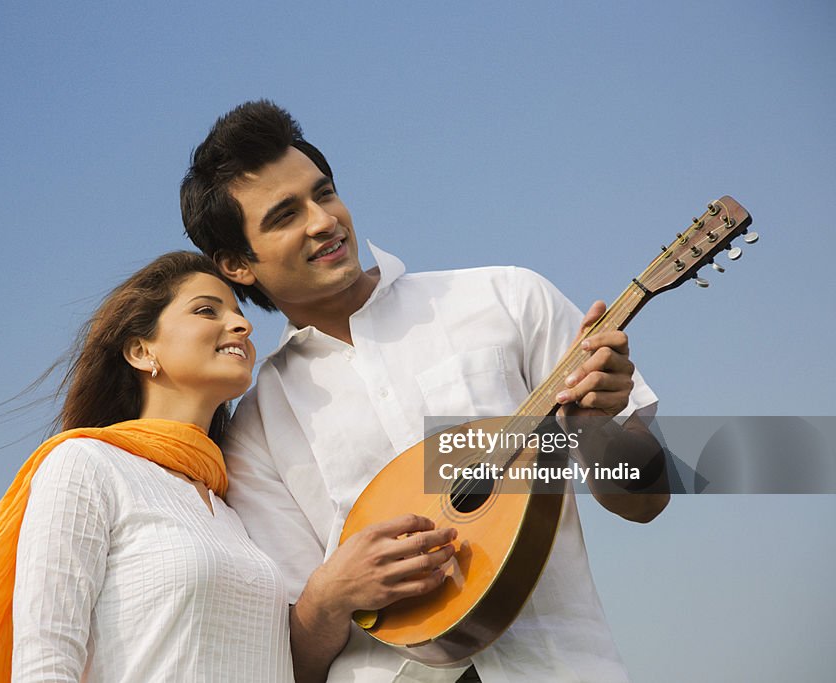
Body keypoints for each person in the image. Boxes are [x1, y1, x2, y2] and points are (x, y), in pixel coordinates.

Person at [180, 101, 670, 682]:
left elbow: (644, 499)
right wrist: (330, 594)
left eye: (325, 193)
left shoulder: (507, 299)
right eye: (286, 215)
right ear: (237, 264)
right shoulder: (257, 426)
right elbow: (288, 659)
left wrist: (595, 420)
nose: (323, 221)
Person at [0, 251, 427, 682]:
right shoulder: (87, 465)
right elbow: (46, 661)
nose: (242, 323)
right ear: (140, 350)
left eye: (237, 312)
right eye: (207, 310)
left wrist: (333, 598)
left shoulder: (234, 506)